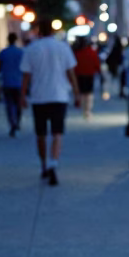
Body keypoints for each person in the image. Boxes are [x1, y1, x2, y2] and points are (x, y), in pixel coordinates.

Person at [20, 21, 79, 186]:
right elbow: (71, 72)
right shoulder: (63, 47)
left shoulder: (32, 49)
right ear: (53, 31)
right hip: (59, 96)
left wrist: (22, 95)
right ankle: (54, 162)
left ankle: (44, 165)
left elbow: (26, 75)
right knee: (57, 133)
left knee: (41, 134)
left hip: (39, 97)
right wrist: (76, 93)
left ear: (39, 31)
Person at [0, 32, 24, 136]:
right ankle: (17, 121)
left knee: (9, 104)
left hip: (7, 82)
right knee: (18, 104)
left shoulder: (3, 52)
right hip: (19, 82)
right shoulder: (21, 52)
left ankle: (12, 123)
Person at [73, 36, 102, 119]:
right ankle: (87, 110)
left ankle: (84, 109)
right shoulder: (92, 52)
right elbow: (96, 63)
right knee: (88, 93)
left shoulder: (77, 53)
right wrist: (99, 71)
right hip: (89, 74)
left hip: (80, 74)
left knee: (82, 92)